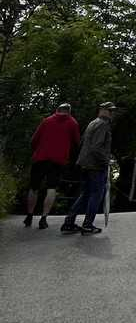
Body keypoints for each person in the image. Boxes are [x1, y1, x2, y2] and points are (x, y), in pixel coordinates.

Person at [60, 101, 116, 235]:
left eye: (112, 111)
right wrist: (107, 160)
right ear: (102, 110)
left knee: (85, 194)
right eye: (109, 110)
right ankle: (87, 224)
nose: (111, 113)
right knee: (96, 195)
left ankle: (69, 223)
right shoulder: (103, 124)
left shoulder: (93, 123)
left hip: (85, 163)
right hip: (95, 165)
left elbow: (83, 142)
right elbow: (96, 147)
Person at [23, 103, 80, 229]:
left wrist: (36, 151)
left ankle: (29, 215)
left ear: (57, 110)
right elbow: (76, 142)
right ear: (69, 111)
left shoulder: (46, 121)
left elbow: (34, 139)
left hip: (40, 157)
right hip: (58, 161)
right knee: (51, 188)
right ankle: (43, 218)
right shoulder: (73, 123)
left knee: (34, 187)